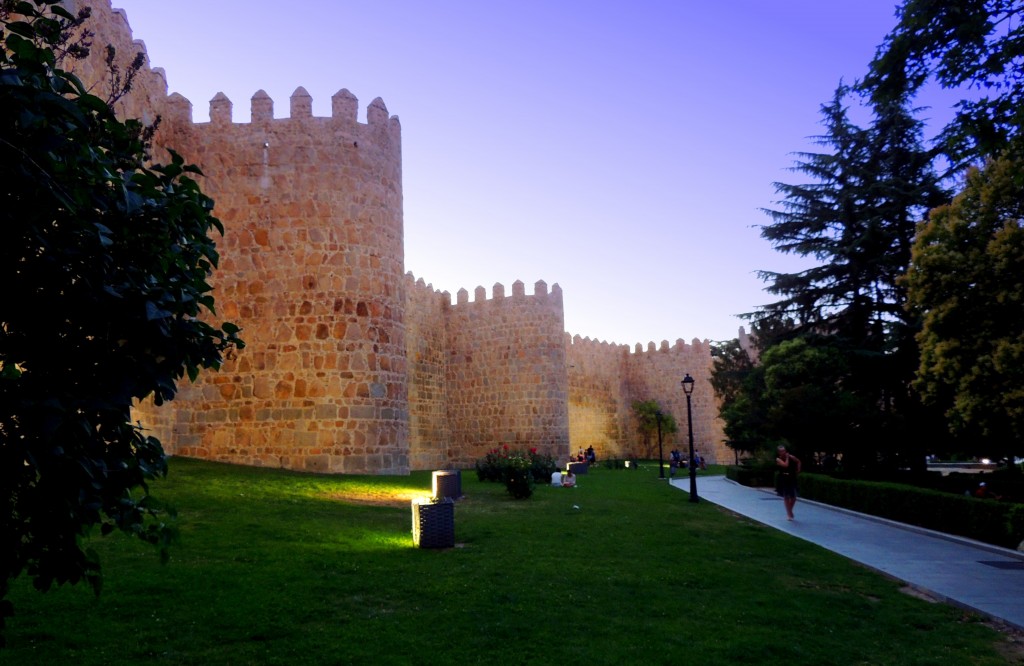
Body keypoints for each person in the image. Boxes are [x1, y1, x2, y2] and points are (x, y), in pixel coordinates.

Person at [775, 445, 801, 520]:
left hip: (791, 478)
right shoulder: (778, 459)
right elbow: (785, 465)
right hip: (783, 478)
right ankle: (789, 514)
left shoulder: (791, 457)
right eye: (781, 451)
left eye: (784, 450)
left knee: (793, 497)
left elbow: (798, 461)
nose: (783, 452)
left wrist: (798, 469)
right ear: (779, 452)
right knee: (786, 496)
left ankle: (790, 511)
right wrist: (787, 458)